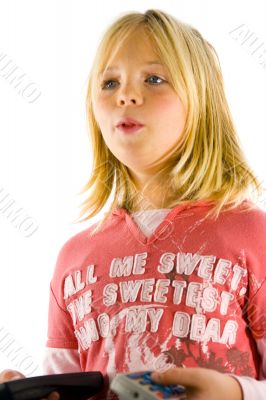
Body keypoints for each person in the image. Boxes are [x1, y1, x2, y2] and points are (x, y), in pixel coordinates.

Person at [1, 8, 266, 400]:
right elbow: (64, 384)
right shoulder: (73, 259)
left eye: (154, 79)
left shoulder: (253, 235)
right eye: (109, 82)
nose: (126, 94)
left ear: (203, 101)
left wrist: (235, 393)